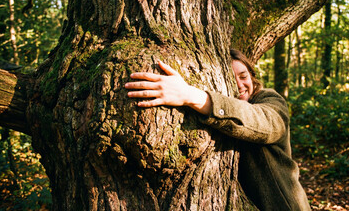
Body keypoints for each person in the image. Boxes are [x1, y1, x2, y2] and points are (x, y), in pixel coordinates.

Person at [125, 49, 311, 211]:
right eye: (231, 78)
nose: (239, 84)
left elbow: (266, 124)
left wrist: (190, 95)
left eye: (243, 76)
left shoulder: (270, 99)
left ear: (253, 76)